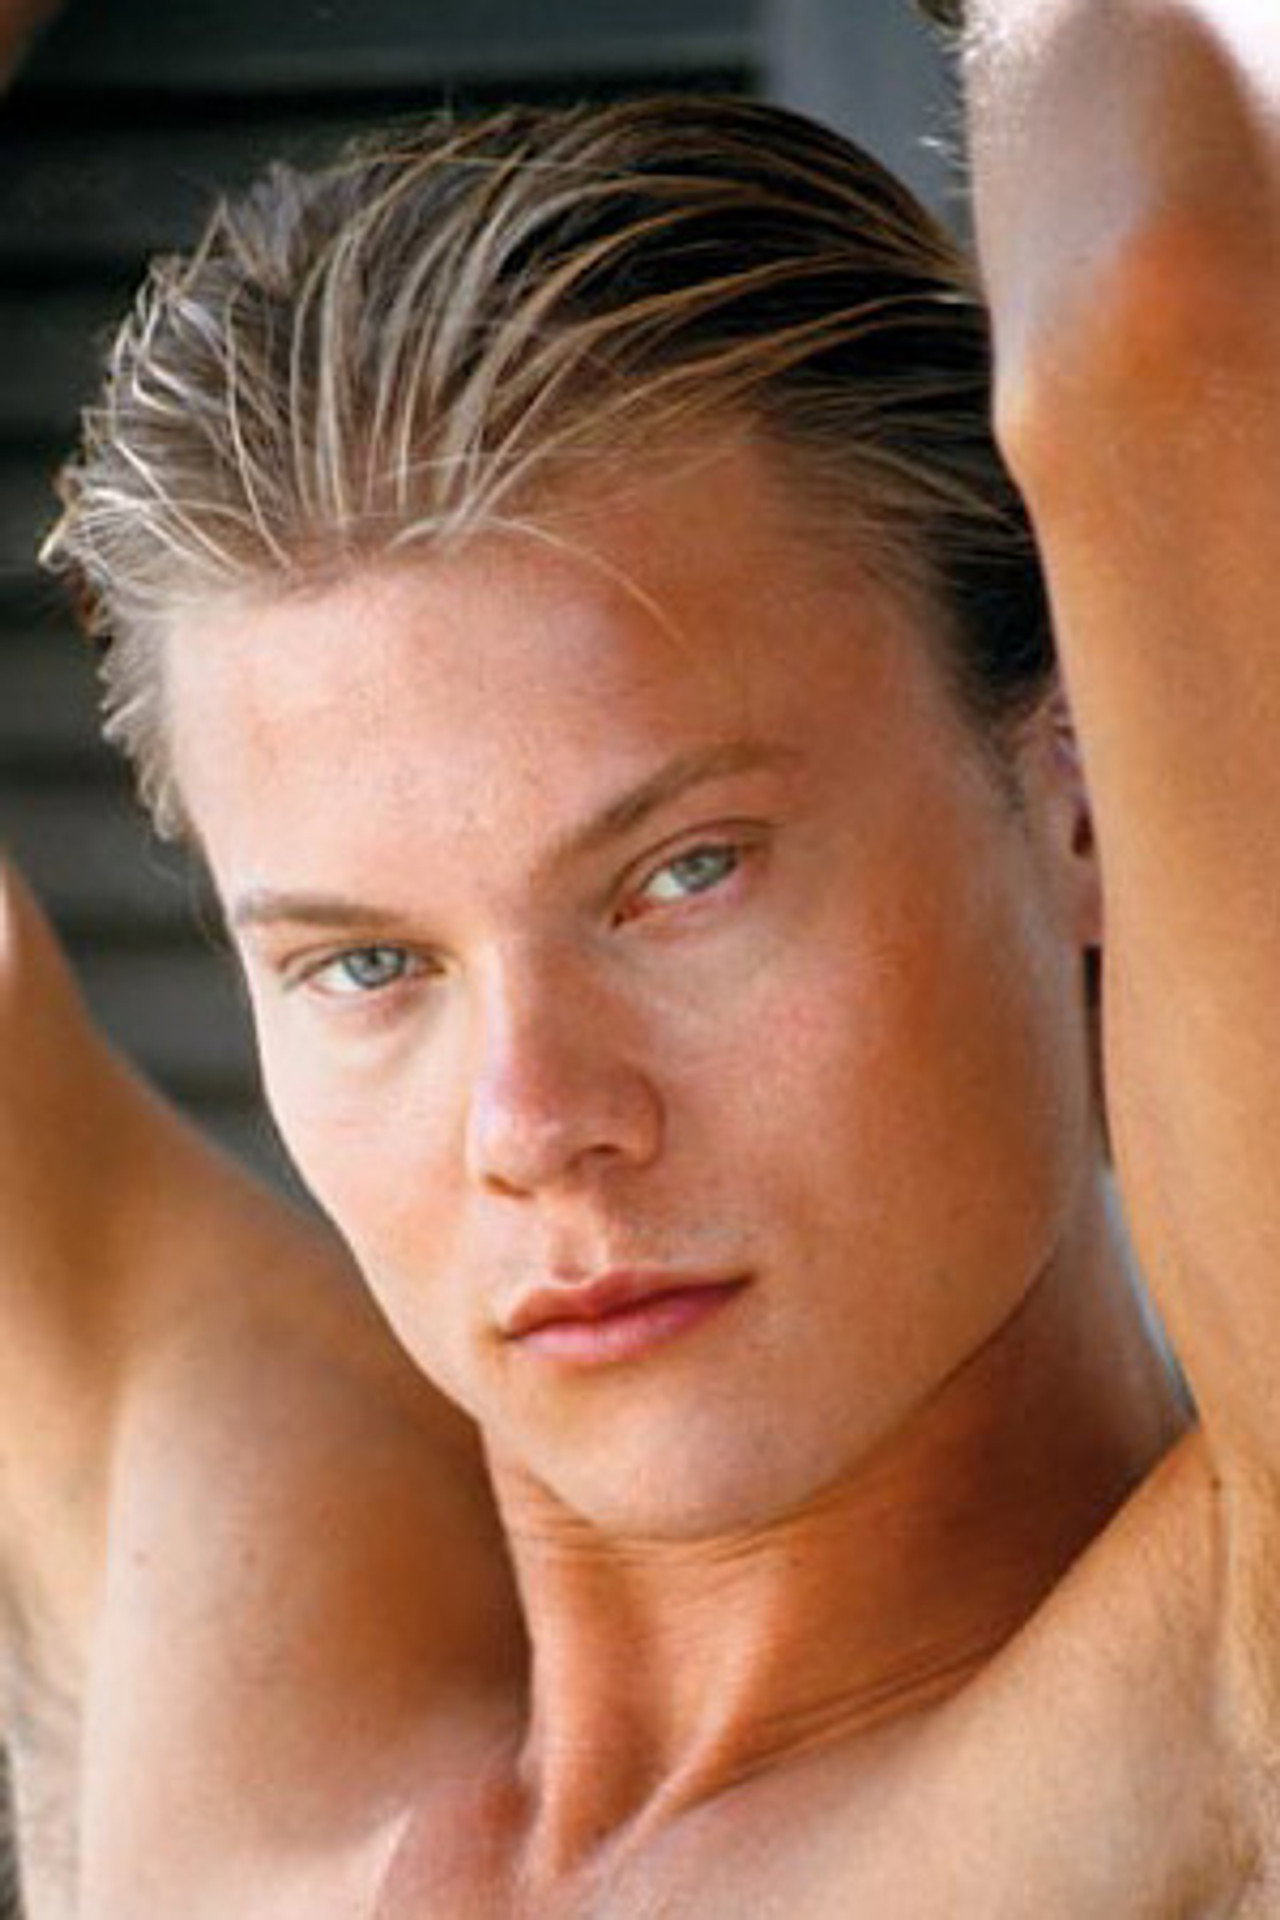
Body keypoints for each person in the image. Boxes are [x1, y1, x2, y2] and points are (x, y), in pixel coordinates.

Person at [5, 0, 1279, 1907]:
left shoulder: (1221, 1715)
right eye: (367, 967)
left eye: (685, 874)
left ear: (1085, 787)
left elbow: (1165, 317)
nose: (535, 1125)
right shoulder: (225, 1653)